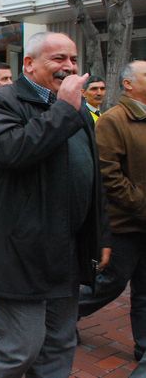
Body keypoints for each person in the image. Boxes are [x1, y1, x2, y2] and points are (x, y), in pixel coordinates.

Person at [0, 32, 110, 378]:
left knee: (59, 347)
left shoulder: (73, 109)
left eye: (73, 59)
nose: (69, 67)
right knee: (17, 349)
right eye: (58, 59)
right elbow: (11, 151)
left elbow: (92, 175)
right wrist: (63, 108)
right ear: (29, 64)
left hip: (67, 253)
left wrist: (101, 234)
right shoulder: (4, 102)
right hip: (20, 254)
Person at [78, 61, 146, 362]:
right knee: (110, 284)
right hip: (125, 223)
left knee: (145, 290)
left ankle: (143, 347)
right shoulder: (113, 120)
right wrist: (141, 205)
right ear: (129, 84)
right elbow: (109, 175)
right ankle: (62, 314)